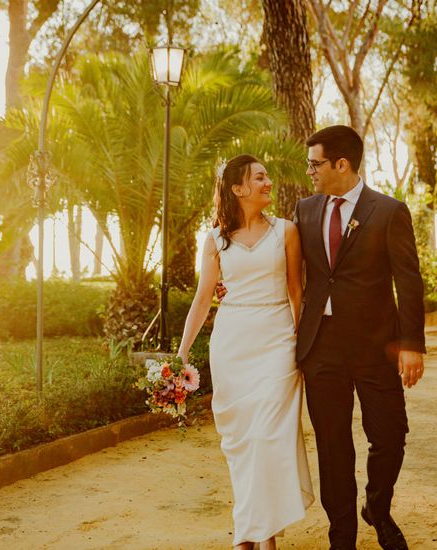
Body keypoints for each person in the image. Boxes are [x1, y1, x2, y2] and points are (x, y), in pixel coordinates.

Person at [295, 125, 426, 550]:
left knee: (390, 435)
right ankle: (342, 539)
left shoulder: (388, 211)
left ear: (342, 164)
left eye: (315, 163)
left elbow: (409, 282)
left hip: (376, 346)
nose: (309, 171)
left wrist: (411, 344)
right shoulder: (305, 211)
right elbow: (292, 274)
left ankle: (377, 505)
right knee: (333, 448)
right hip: (322, 348)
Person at [177, 154, 314, 550]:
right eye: (258, 177)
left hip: (277, 343)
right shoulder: (215, 239)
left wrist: (302, 346)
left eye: (267, 175)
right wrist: (181, 356)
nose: (267, 182)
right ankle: (262, 534)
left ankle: (247, 536)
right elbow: (204, 299)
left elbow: (296, 291)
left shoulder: (286, 231)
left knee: (269, 437)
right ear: (238, 189)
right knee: (242, 443)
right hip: (232, 346)